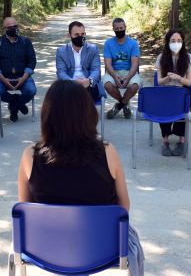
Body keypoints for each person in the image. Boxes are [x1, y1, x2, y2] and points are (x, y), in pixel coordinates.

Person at [17, 80, 144, 275]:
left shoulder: (29, 155)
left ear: (47, 115)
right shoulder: (108, 152)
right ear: (88, 114)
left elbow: (26, 208)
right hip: (100, 248)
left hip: (47, 248)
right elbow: (123, 207)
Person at [156, 30, 191, 157]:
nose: (176, 43)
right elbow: (159, 82)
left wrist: (178, 78)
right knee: (164, 104)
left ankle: (181, 140)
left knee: (182, 103)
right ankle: (165, 140)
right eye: (173, 41)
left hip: (182, 90)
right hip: (167, 90)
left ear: (183, 42)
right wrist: (168, 78)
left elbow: (189, 82)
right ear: (168, 43)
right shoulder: (161, 58)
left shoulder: (189, 58)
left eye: (179, 41)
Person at [0, 17, 37, 122]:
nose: (13, 29)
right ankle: (16, 102)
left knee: (31, 90)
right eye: (10, 27)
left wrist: (24, 78)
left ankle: (14, 107)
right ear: (4, 29)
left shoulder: (26, 42)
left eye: (15, 26)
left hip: (23, 76)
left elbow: (32, 61)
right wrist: (3, 79)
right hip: (3, 78)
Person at [102, 17, 143, 119]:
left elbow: (135, 64)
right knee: (107, 85)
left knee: (134, 86)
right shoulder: (108, 43)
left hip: (130, 72)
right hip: (113, 72)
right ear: (113, 29)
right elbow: (108, 64)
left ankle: (119, 106)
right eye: (117, 29)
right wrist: (115, 76)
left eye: (121, 28)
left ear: (125, 27)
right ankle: (124, 104)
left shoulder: (133, 43)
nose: (119, 30)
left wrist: (128, 78)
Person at [56, 21, 103, 101]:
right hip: (69, 84)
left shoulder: (93, 49)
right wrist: (72, 82)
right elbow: (61, 72)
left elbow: (96, 70)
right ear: (69, 35)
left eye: (82, 34)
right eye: (76, 35)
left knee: (86, 95)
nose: (80, 37)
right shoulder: (61, 51)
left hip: (88, 83)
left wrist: (89, 81)